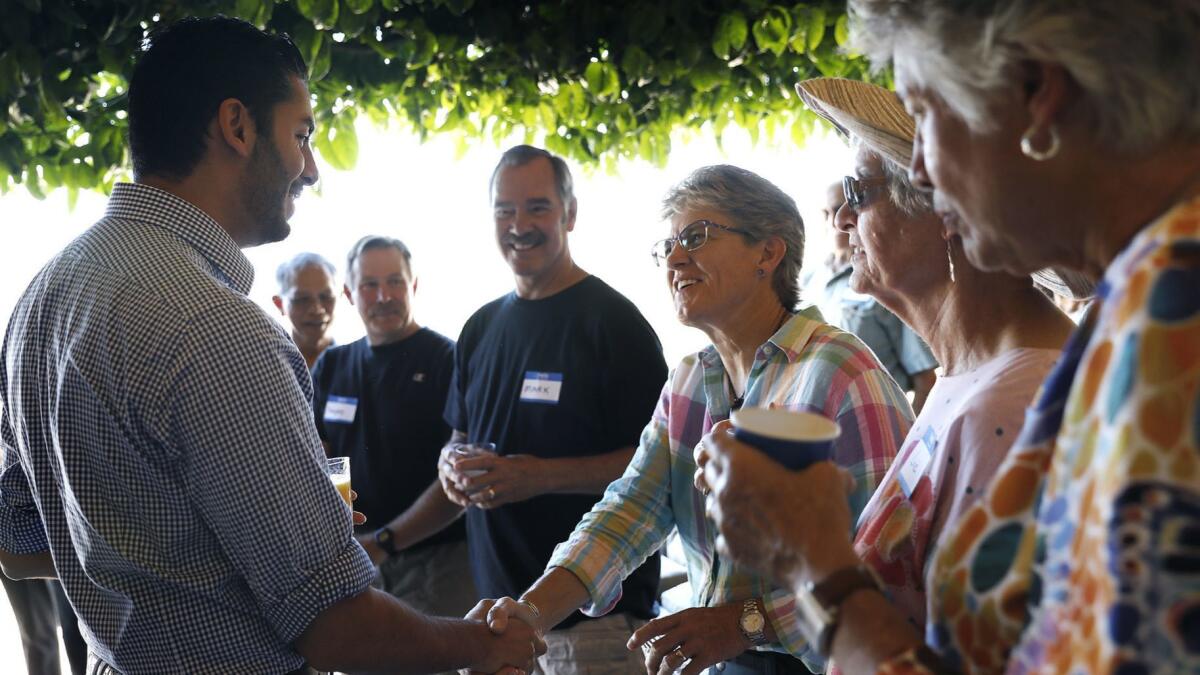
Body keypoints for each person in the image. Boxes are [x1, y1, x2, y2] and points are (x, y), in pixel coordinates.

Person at [0, 17, 541, 675]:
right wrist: (483, 644)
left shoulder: (43, 296)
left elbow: (21, 542)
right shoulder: (218, 330)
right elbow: (338, 628)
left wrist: (222, 543)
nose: (310, 167)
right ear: (237, 127)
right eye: (302, 135)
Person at [698, 1, 1200, 672]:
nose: (925, 175)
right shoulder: (1144, 295)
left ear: (1036, 91)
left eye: (924, 113)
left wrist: (813, 558)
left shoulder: (1172, 310)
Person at [477, 164, 915, 675]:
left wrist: (745, 623)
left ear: (768, 253)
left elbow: (893, 568)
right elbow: (627, 512)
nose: (676, 258)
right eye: (668, 246)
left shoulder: (841, 372)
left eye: (696, 236)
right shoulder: (689, 380)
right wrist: (529, 615)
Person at [378, 145, 668, 674]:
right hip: (497, 625)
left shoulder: (614, 325)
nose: (519, 225)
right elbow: (460, 437)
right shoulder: (480, 327)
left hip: (596, 627)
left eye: (537, 208)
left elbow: (658, 469)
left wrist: (539, 476)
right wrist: (451, 466)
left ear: (570, 214)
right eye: (504, 210)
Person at [311, 235, 476, 628]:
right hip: (361, 566)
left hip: (441, 564)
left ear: (414, 285)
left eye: (395, 281)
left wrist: (386, 541)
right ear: (350, 294)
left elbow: (460, 478)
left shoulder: (449, 361)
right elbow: (327, 454)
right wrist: (344, 521)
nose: (383, 295)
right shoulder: (332, 365)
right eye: (369, 285)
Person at [809, 179, 939, 413]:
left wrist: (908, 444)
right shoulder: (809, 281)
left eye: (841, 207)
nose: (835, 221)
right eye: (826, 212)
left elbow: (925, 380)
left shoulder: (883, 281)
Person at [273, 252, 338, 367]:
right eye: (302, 299)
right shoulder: (269, 367)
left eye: (326, 297)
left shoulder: (358, 366)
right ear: (280, 304)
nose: (317, 310)